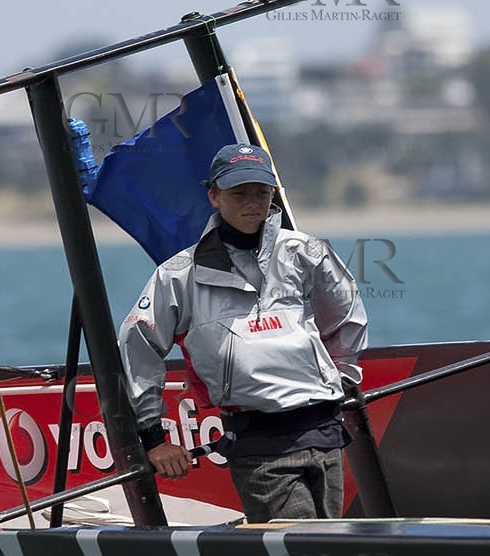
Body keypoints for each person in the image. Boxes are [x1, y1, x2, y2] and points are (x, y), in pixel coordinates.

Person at [117, 143, 368, 522]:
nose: (253, 202)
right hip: (259, 444)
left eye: (261, 192)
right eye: (239, 193)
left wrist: (341, 383)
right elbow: (138, 345)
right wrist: (153, 438)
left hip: (325, 433)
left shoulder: (306, 251)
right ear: (214, 196)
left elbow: (346, 317)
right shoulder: (178, 274)